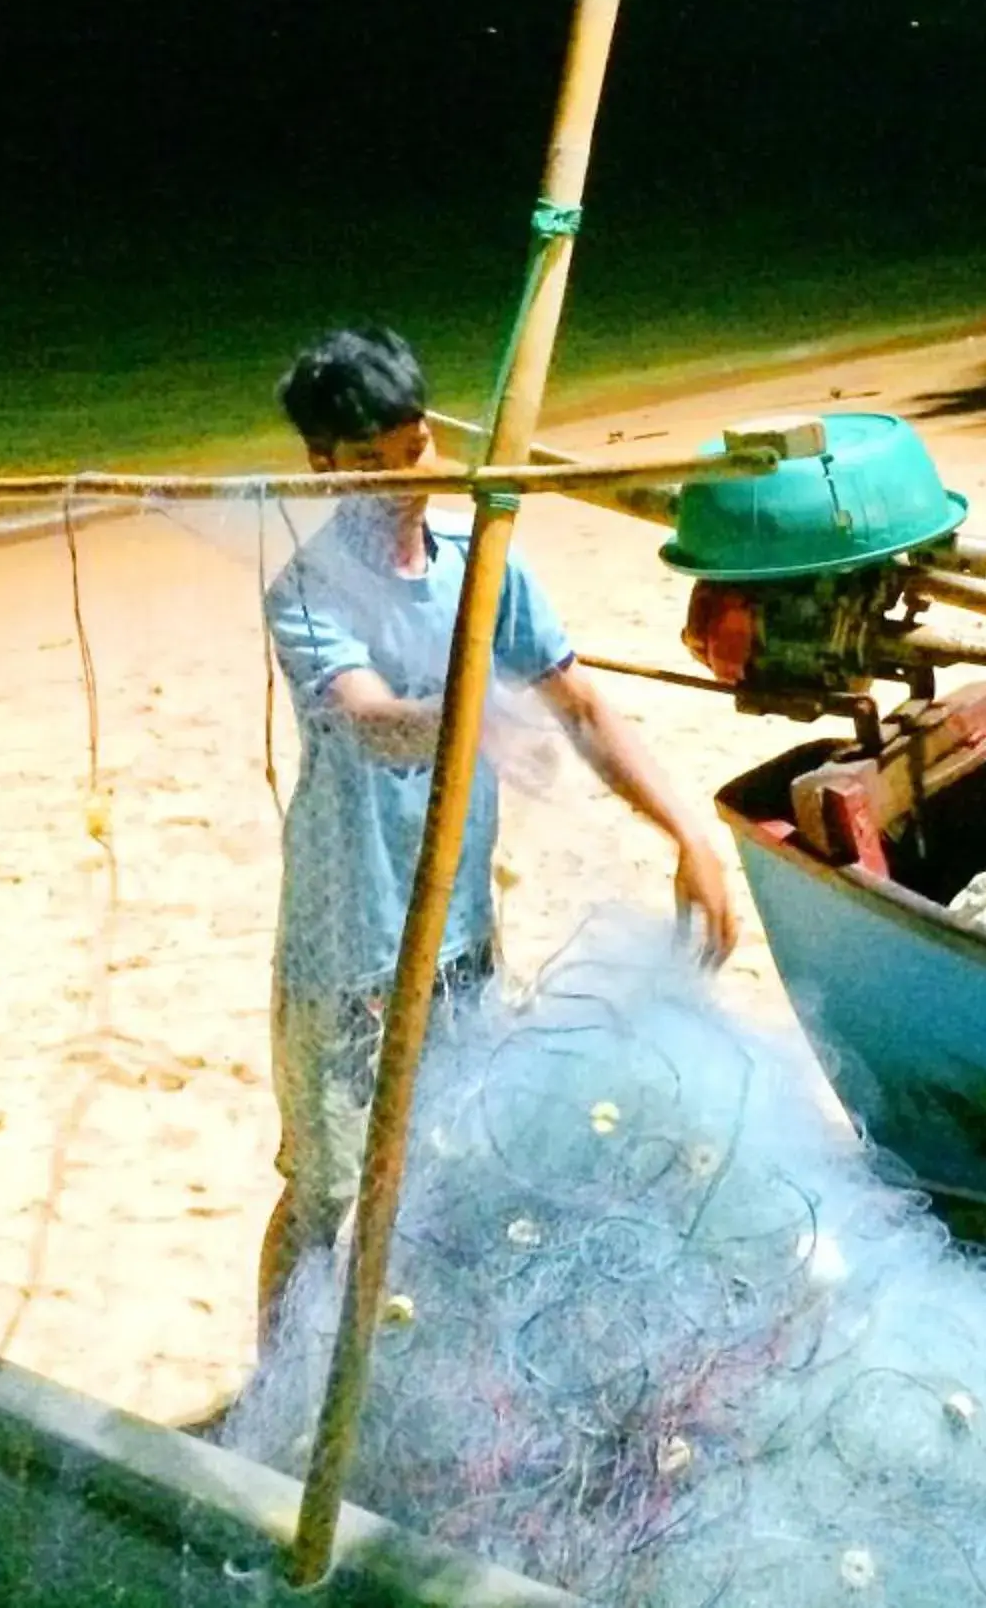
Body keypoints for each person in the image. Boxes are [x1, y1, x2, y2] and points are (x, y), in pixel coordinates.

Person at [256, 324, 741, 1325]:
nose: (399, 480)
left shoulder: (485, 570)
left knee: (447, 1171)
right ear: (320, 466)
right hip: (349, 946)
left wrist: (690, 836)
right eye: (365, 465)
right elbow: (369, 721)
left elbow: (588, 712)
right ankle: (277, 1388)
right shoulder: (307, 591)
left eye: (411, 451)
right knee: (332, 1191)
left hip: (460, 936)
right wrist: (478, 722)